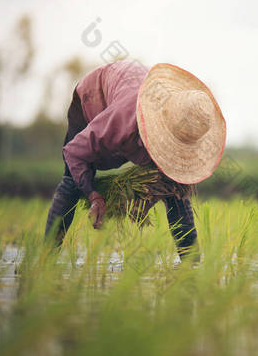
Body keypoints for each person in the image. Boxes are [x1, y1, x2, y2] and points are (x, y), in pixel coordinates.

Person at [45, 61, 226, 261]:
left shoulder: (184, 119)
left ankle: (191, 262)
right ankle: (47, 257)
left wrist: (147, 196)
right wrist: (94, 196)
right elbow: (74, 152)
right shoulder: (119, 120)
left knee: (175, 189)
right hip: (95, 95)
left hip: (130, 92)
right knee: (72, 181)